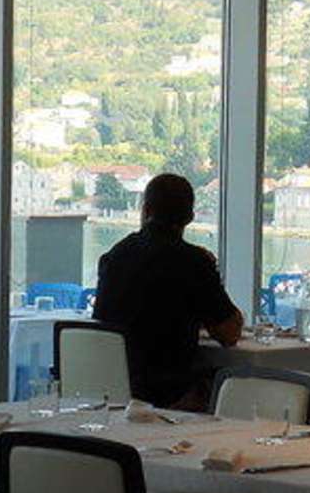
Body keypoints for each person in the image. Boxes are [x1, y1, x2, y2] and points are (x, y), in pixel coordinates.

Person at [92, 172, 242, 408]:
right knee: (231, 383)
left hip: (111, 386)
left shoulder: (113, 257)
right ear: (190, 217)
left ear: (145, 210)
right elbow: (229, 334)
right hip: (168, 391)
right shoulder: (194, 262)